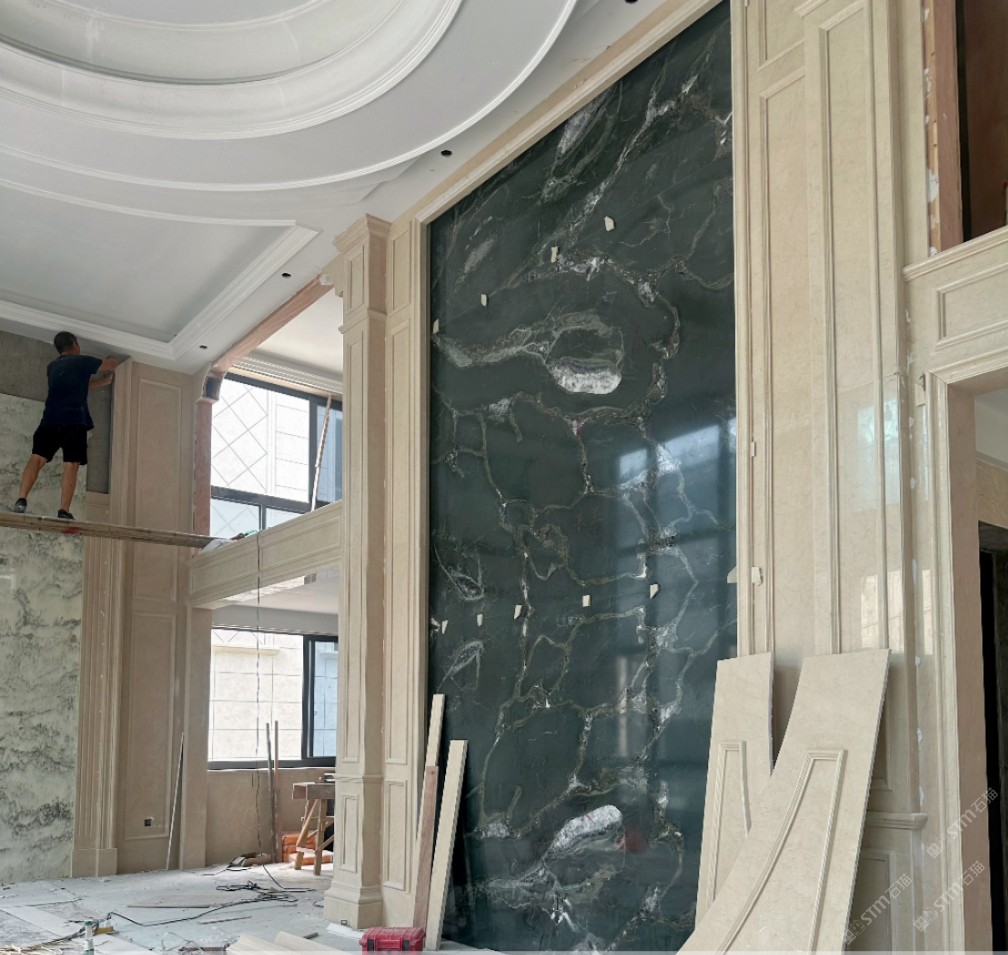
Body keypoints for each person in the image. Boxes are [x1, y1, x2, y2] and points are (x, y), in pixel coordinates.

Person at [11, 332, 118, 520]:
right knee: (71, 463)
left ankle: (21, 499)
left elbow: (78, 385)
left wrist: (102, 382)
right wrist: (112, 358)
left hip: (50, 420)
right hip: (74, 421)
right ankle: (64, 510)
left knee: (37, 458)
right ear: (75, 344)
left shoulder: (53, 367)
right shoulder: (82, 361)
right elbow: (110, 365)